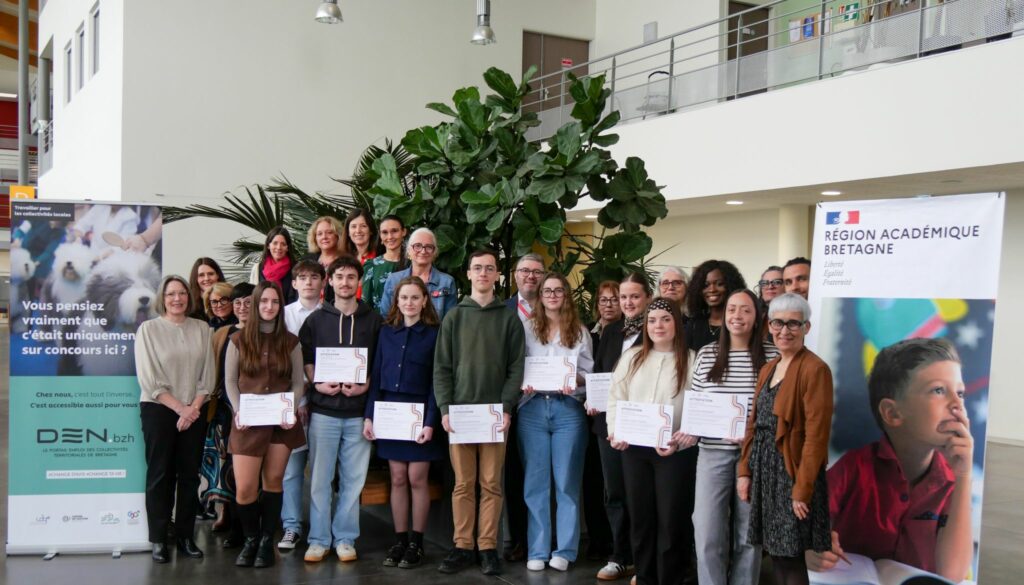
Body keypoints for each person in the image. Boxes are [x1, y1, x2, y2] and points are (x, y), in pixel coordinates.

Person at [808, 338, 973, 581]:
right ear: (893, 413)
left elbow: (953, 575)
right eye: (939, 390)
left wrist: (964, 476)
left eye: (960, 393)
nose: (958, 404)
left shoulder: (953, 480)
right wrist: (810, 548)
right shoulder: (854, 467)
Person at [434, 249, 525, 576]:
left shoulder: (508, 318)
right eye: (477, 268)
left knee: (491, 483)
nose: (483, 273)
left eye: (489, 268)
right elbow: (442, 367)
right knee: (463, 484)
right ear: (469, 274)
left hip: (494, 416)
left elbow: (516, 367)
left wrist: (506, 408)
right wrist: (445, 408)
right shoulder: (455, 317)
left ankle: (487, 547)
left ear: (497, 275)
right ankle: (462, 546)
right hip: (460, 415)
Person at [738, 293, 833, 585]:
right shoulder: (768, 368)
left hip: (792, 473)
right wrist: (744, 471)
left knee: (790, 556)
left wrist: (801, 490)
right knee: (777, 553)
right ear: (768, 325)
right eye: (778, 323)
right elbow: (753, 425)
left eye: (793, 323)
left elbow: (816, 436)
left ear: (806, 327)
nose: (784, 330)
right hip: (766, 471)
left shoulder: (815, 369)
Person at [606, 298, 697, 585]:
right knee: (641, 519)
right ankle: (644, 578)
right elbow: (615, 398)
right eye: (653, 320)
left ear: (677, 324)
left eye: (665, 319)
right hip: (634, 451)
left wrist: (683, 438)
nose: (658, 325)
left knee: (672, 520)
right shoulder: (631, 358)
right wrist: (615, 431)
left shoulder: (692, 359)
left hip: (674, 452)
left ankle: (671, 578)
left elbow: (698, 406)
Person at [691, 289, 778, 585]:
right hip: (711, 453)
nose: (737, 316)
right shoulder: (706, 354)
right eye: (731, 310)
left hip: (754, 456)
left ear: (757, 318)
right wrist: (684, 434)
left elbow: (779, 410)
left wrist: (754, 434)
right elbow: (696, 405)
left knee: (748, 535)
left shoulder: (773, 357)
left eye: (745, 310)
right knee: (706, 531)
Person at [299, 256, 383, 563]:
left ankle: (345, 538)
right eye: (339, 277)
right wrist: (316, 382)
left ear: (358, 282)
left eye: (351, 277)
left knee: (353, 480)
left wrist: (366, 384)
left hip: (358, 412)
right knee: (320, 480)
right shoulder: (315, 321)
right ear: (329, 282)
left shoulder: (373, 320)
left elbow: (378, 361)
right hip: (324, 412)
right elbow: (307, 359)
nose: (345, 282)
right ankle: (319, 539)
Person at [363, 276, 443, 569]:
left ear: (424, 301)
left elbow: (437, 382)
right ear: (396, 302)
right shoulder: (386, 333)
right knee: (397, 477)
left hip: (421, 413)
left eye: (414, 297)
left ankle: (417, 543)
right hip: (390, 413)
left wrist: (430, 421)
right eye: (404, 298)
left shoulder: (435, 334)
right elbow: (375, 379)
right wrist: (369, 416)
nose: (409, 303)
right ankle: (399, 540)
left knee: (417, 479)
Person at [225, 282, 306, 568]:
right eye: (264, 302)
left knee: (273, 483)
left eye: (274, 302)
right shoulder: (238, 340)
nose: (269, 307)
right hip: (248, 424)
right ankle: (250, 538)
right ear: (256, 305)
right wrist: (238, 411)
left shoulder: (291, 342)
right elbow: (230, 382)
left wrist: (291, 408)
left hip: (281, 424)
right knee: (245, 488)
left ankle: (264, 543)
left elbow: (298, 383)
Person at [135, 275, 215, 563]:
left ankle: (185, 536)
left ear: (189, 297)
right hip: (159, 409)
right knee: (159, 475)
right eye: (171, 294)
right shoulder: (148, 329)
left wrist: (192, 408)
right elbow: (149, 379)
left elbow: (208, 376)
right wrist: (181, 409)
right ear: (163, 298)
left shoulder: (203, 329)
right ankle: (159, 538)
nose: (177, 299)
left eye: (182, 293)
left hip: (194, 409)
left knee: (189, 476)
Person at [519, 272, 594, 572]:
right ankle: (537, 550)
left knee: (566, 484)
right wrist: (524, 383)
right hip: (533, 408)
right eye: (547, 290)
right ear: (539, 295)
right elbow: (517, 366)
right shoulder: (525, 328)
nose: (552, 295)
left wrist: (572, 379)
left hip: (568, 410)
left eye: (558, 290)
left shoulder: (580, 331)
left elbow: (590, 375)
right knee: (535, 484)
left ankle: (564, 549)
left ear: (566, 295)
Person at [590, 271, 653, 581]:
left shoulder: (658, 330)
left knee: (640, 494)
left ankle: (644, 560)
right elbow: (601, 372)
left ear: (648, 299)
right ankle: (619, 555)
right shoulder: (611, 331)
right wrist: (593, 399)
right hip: (609, 424)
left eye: (633, 296)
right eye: (623, 297)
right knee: (614, 492)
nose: (627, 302)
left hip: (643, 425)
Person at [278, 260, 326, 551]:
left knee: (322, 473)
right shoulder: (282, 316)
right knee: (291, 471)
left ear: (323, 282)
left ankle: (322, 530)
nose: (308, 282)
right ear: (293, 283)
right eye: (302, 278)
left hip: (324, 404)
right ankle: (291, 527)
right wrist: (296, 401)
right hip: (292, 406)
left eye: (314, 277)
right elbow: (280, 364)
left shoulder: (333, 315)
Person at [502, 253, 545, 563]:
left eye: (537, 272)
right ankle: (519, 539)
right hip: (510, 402)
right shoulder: (500, 310)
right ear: (515, 275)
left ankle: (544, 538)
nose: (531, 276)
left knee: (542, 475)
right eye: (525, 271)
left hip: (545, 401)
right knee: (515, 474)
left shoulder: (556, 309)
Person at [206, 283, 255, 547]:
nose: (243, 308)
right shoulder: (223, 333)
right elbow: (217, 374)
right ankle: (236, 527)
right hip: (228, 411)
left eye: (248, 302)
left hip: (262, 412)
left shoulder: (266, 332)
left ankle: (254, 528)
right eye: (237, 304)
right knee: (231, 472)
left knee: (254, 474)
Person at [380, 228, 457, 320]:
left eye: (429, 247)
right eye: (417, 246)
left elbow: (450, 321)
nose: (423, 251)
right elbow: (386, 317)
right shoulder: (394, 280)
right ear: (408, 250)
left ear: (435, 252)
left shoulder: (446, 282)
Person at [684, 260, 747, 352]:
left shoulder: (740, 323)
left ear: (730, 286)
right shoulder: (694, 325)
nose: (712, 289)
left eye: (719, 284)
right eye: (706, 285)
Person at [362, 215, 409, 311]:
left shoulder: (414, 264)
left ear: (403, 232)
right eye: (385, 232)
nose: (390, 236)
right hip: (379, 324)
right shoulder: (371, 265)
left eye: (394, 231)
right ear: (380, 235)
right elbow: (366, 302)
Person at [304, 216, 346, 305]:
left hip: (335, 312)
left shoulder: (346, 262)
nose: (324, 237)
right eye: (319, 234)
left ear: (337, 235)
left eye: (329, 232)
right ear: (315, 238)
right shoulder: (308, 261)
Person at [249, 226, 297, 304]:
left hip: (289, 314)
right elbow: (253, 298)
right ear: (268, 245)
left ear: (287, 247)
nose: (278, 247)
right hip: (263, 314)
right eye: (275, 243)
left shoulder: (297, 269)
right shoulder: (257, 269)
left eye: (283, 244)